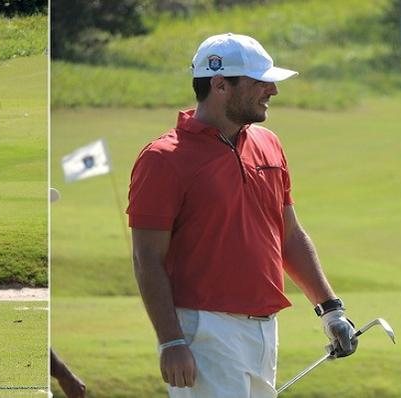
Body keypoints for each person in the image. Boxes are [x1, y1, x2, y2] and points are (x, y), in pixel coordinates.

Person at [127, 33, 357, 397]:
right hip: (203, 330)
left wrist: (330, 309)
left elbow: (289, 234)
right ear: (220, 85)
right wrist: (171, 340)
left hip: (265, 330)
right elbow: (147, 258)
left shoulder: (269, 143)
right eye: (260, 83)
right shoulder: (162, 159)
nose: (273, 91)